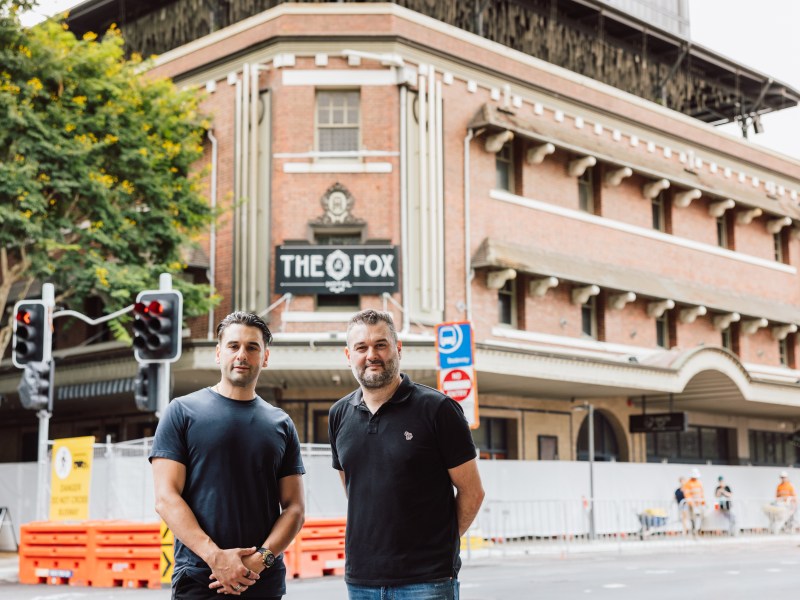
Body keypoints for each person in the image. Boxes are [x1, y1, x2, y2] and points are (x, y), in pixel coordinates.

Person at [328, 309, 485, 600]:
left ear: (398, 349)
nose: (371, 354)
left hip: (427, 581)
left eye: (381, 344)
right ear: (348, 355)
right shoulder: (339, 414)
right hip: (361, 580)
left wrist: (440, 546)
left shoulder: (438, 410)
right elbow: (354, 489)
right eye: (361, 347)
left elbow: (472, 492)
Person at [150, 312, 306, 599]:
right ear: (218, 352)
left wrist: (259, 561)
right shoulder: (182, 411)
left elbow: (295, 508)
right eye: (233, 346)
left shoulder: (281, 423)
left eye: (252, 347)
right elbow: (166, 498)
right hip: (199, 580)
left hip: (262, 582)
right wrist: (216, 557)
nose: (242, 355)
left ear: (265, 357)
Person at [683, 468, 705, 536]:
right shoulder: (688, 483)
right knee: (693, 517)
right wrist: (691, 503)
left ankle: (699, 530)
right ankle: (693, 530)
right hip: (692, 504)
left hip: (699, 503)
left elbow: (701, 493)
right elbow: (687, 494)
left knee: (700, 516)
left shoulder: (699, 483)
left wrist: (703, 502)